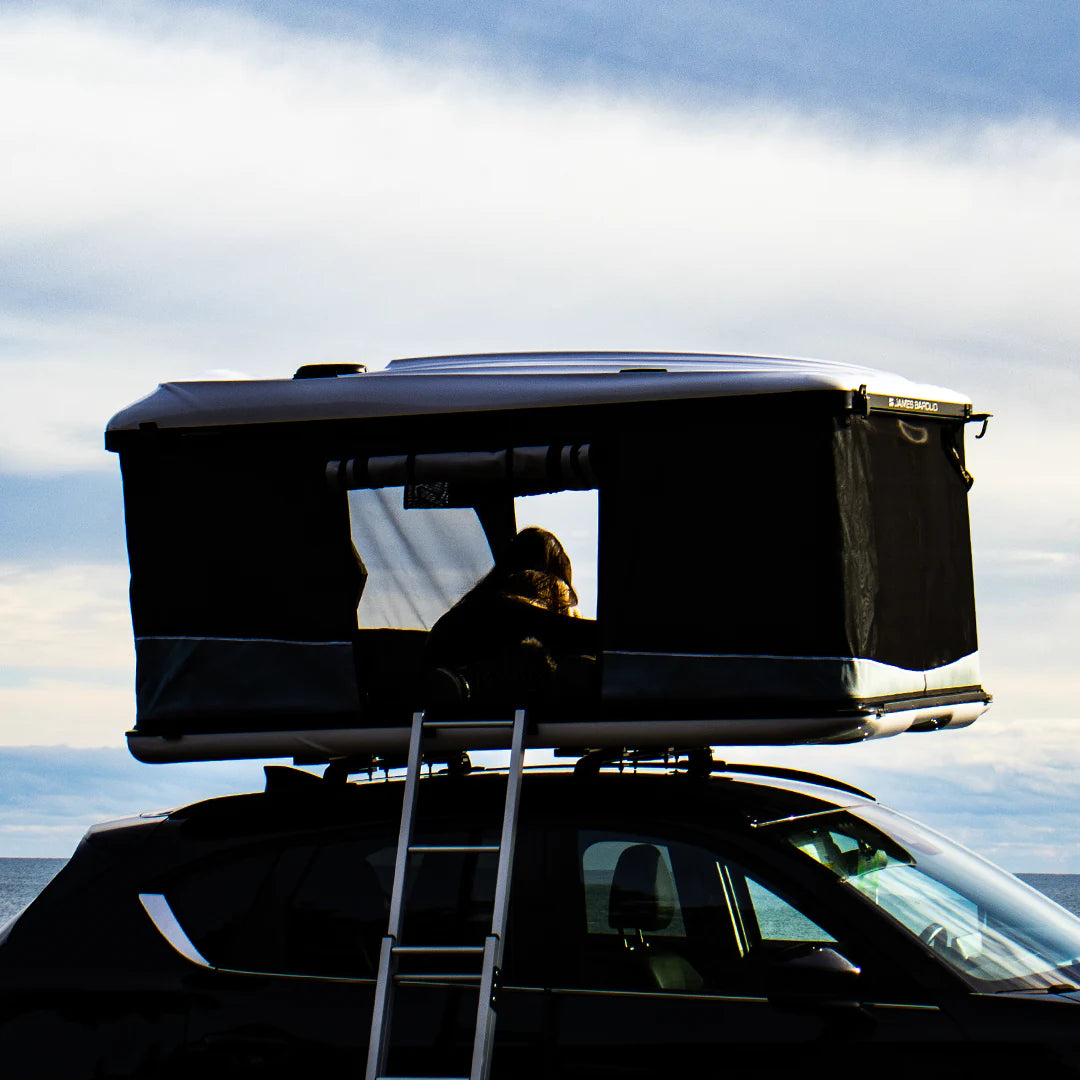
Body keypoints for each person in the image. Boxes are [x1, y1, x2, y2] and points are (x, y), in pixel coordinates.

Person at [424, 526, 596, 705]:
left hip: (450, 682)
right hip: (508, 696)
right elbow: (573, 634)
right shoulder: (547, 593)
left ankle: (461, 684)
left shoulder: (475, 603)